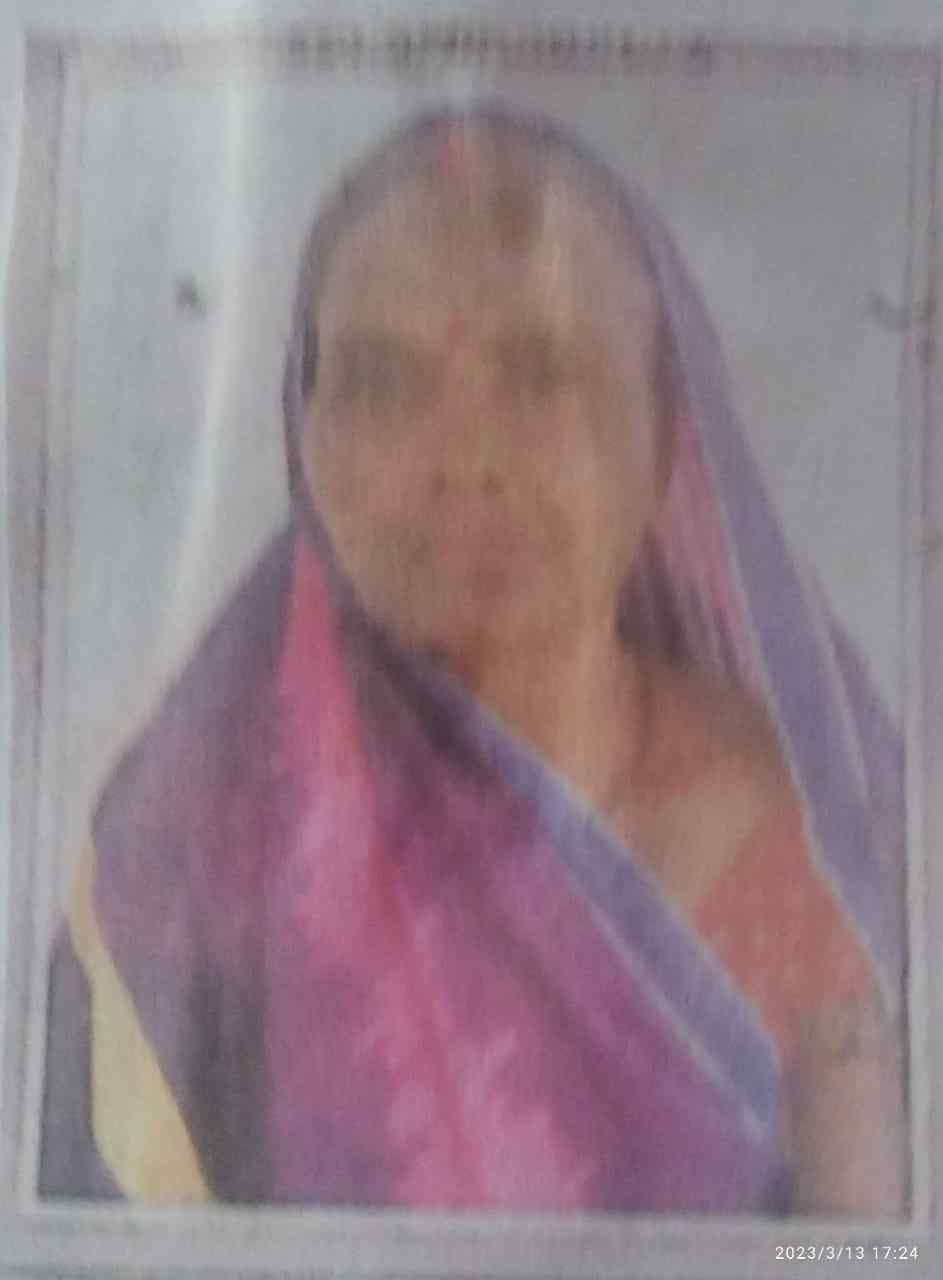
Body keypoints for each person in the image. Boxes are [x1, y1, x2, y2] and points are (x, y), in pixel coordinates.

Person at [40, 103, 907, 1215]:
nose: (464, 457)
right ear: (304, 437)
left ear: (666, 437)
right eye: (383, 380)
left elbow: (861, 1252)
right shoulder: (186, 844)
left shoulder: (800, 842)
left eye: (540, 372)